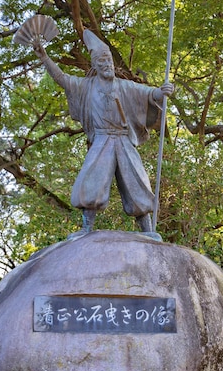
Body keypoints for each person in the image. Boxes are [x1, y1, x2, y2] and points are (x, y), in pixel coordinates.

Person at [33, 29, 174, 236]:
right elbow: (63, 79)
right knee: (92, 179)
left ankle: (148, 230)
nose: (107, 65)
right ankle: (86, 228)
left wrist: (161, 92)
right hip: (102, 138)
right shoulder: (86, 87)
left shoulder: (125, 86)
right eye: (102, 62)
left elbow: (147, 93)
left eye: (109, 61)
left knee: (136, 181)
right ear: (95, 65)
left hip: (123, 139)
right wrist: (44, 57)